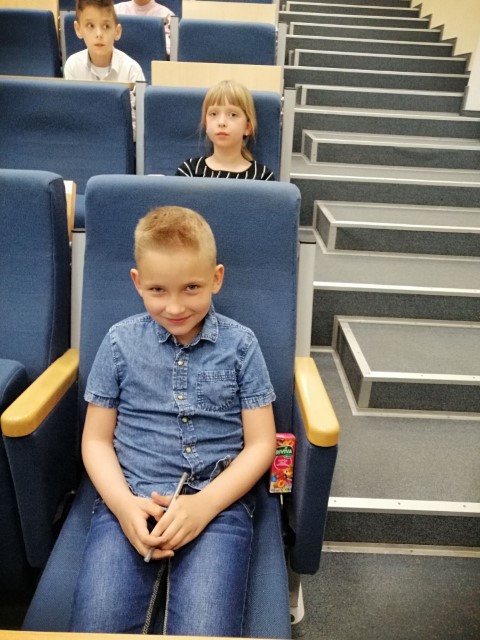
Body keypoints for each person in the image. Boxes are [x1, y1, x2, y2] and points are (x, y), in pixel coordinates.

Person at [69, 206, 278, 636]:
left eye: (192, 288)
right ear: (137, 283)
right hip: (131, 496)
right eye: (158, 290)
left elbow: (261, 444)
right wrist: (122, 505)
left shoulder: (241, 346)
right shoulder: (119, 343)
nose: (176, 306)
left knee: (205, 627)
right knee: (98, 622)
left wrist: (206, 505)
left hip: (217, 502)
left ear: (216, 278)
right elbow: (95, 440)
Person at [64, 0, 145, 137]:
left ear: (117, 31)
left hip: (120, 142)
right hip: (83, 140)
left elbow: (138, 126)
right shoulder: (72, 65)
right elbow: (72, 117)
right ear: (78, 29)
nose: (99, 34)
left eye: (106, 26)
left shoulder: (132, 70)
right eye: (90, 25)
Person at [176, 80, 276, 180]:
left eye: (233, 115)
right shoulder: (190, 171)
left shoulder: (262, 177)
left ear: (247, 127)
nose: (221, 122)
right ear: (206, 124)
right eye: (213, 114)